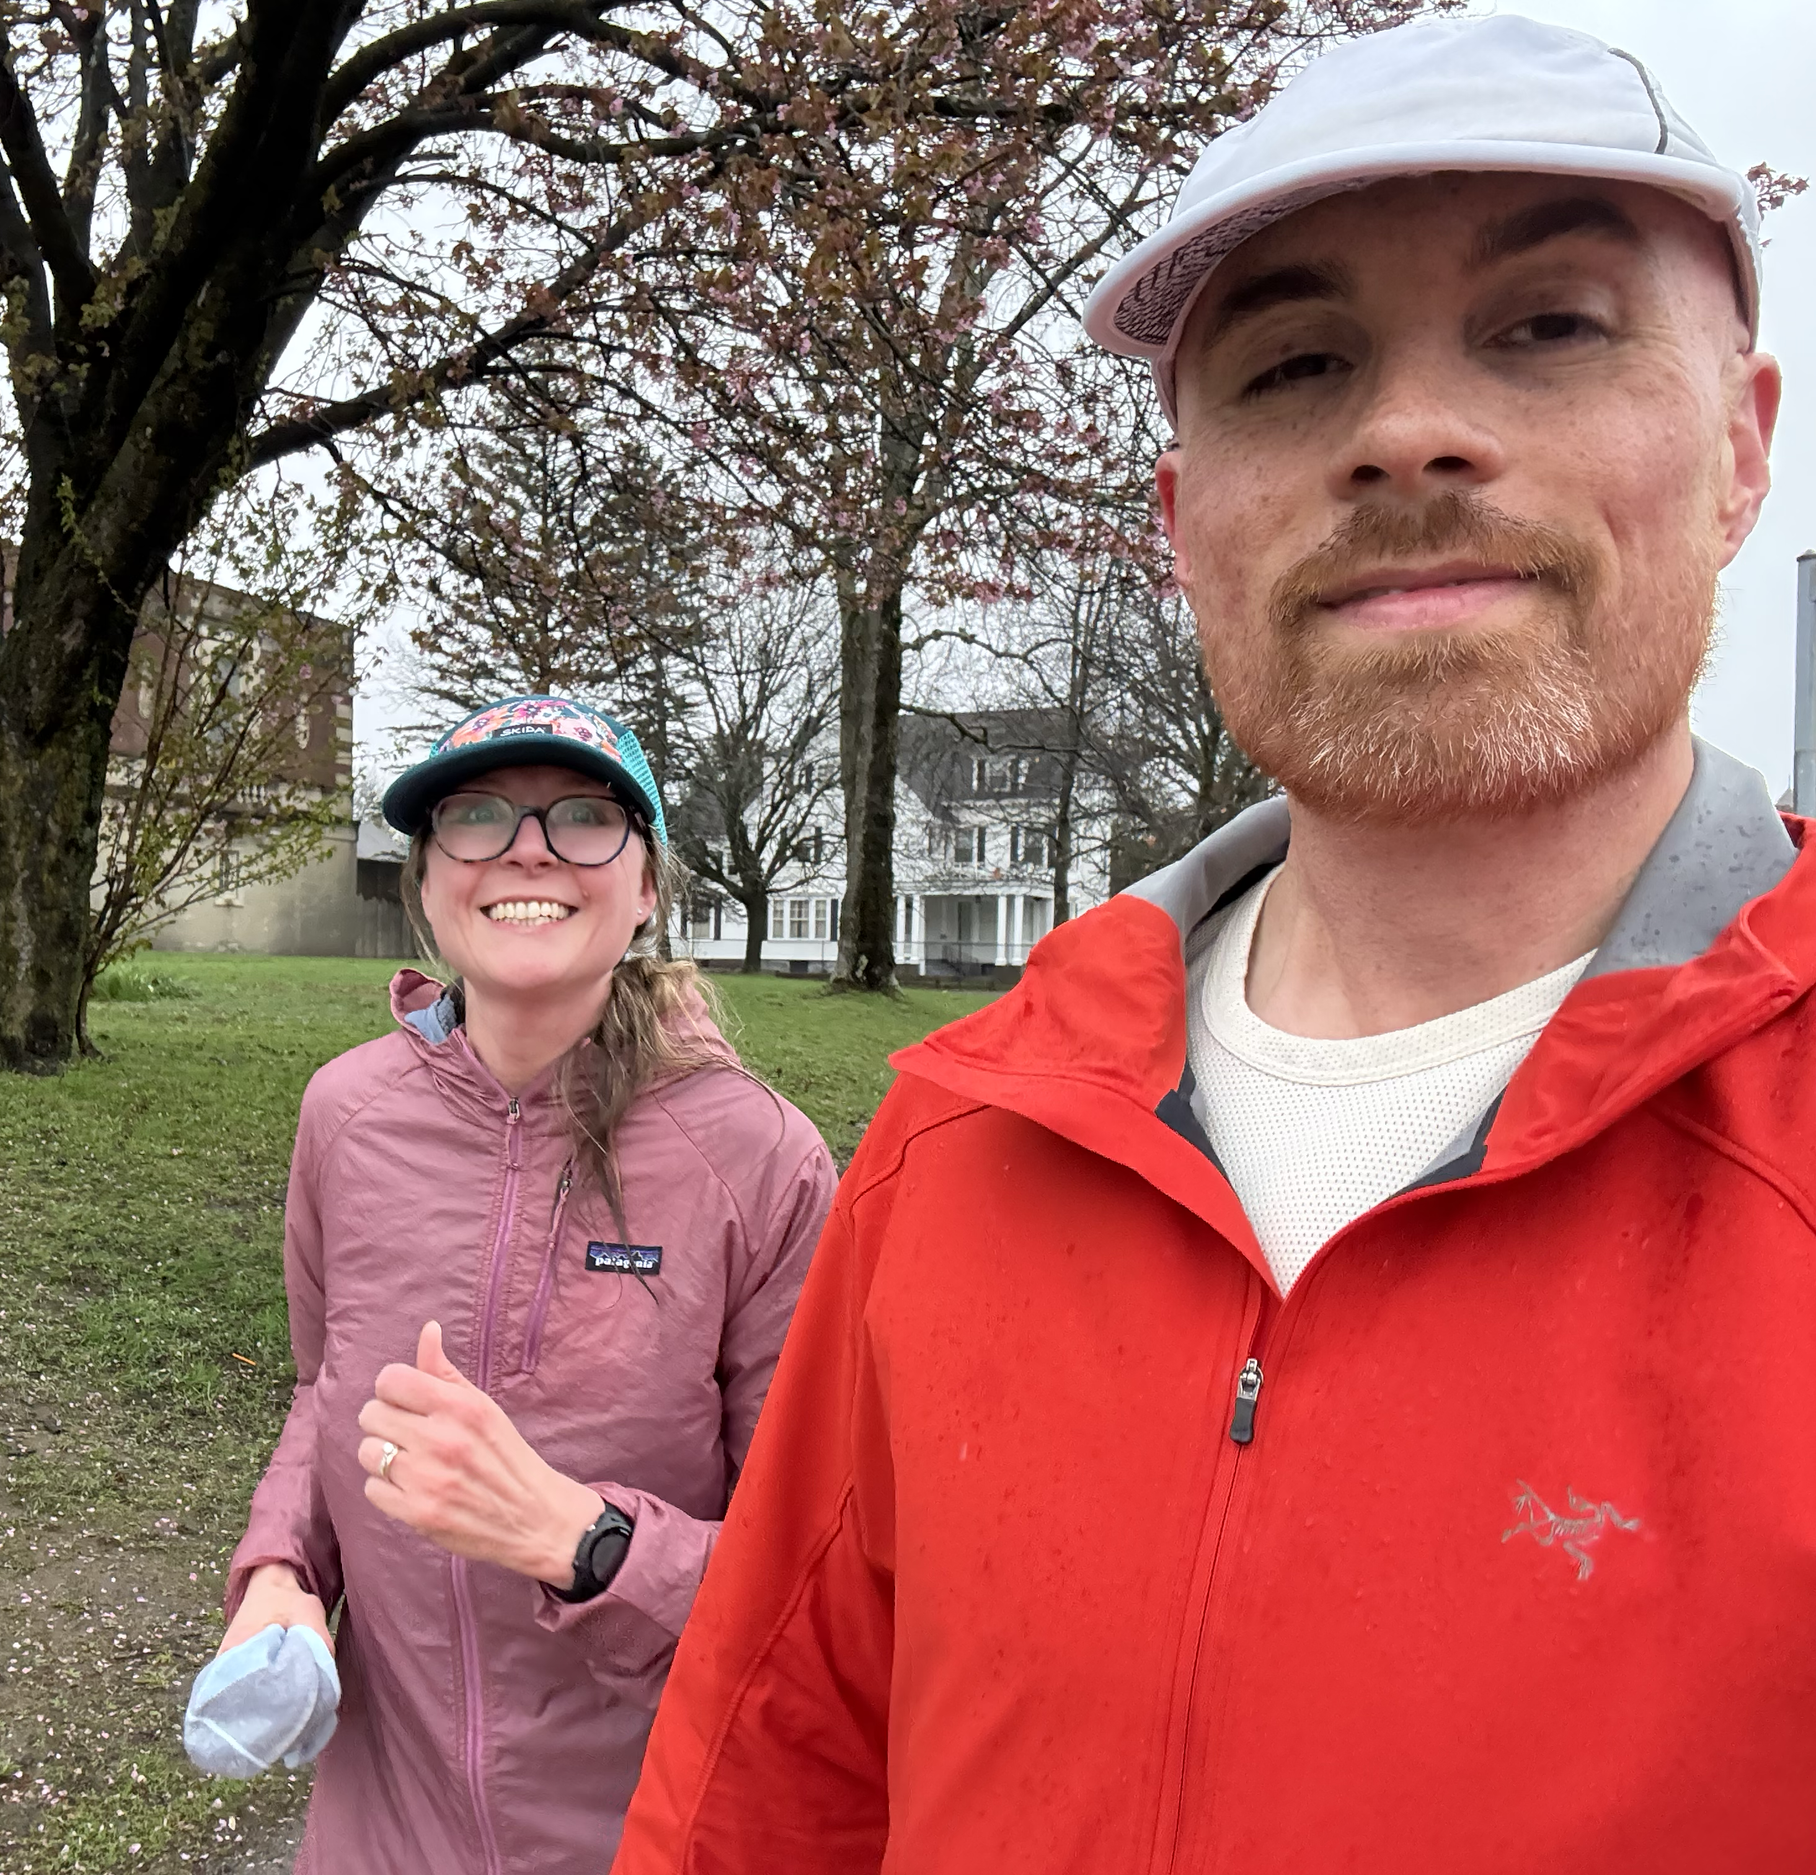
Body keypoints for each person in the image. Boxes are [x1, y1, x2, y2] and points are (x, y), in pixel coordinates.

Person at [613, 17, 1815, 1872]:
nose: (1409, 428)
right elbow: (763, 1798)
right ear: (1184, 529)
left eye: (1549, 326)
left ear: (1741, 447)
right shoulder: (960, 1141)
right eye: (1297, 362)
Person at [215, 694, 836, 1873]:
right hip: (379, 1828)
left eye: (585, 819)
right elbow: (324, 1392)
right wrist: (281, 1571)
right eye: (478, 816)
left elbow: (820, 1577)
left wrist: (584, 1541)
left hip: (653, 1831)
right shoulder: (344, 1116)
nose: (528, 849)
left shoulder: (759, 1160)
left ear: (647, 886)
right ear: (429, 878)